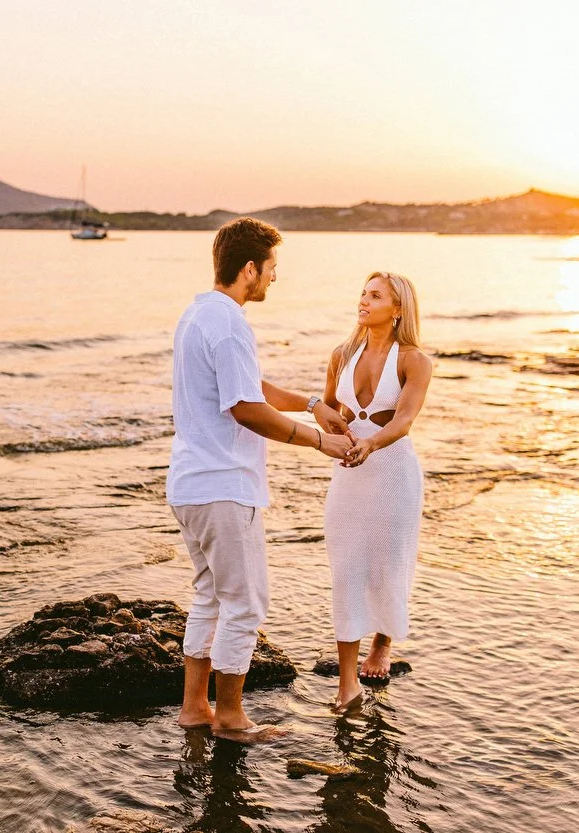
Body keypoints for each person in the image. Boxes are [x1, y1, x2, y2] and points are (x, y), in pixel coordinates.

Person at [167, 217, 353, 742]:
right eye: (271, 269)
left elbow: (253, 385)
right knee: (245, 604)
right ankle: (230, 717)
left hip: (191, 483)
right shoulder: (228, 324)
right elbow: (246, 407)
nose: (274, 279)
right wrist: (320, 441)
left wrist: (314, 405)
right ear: (249, 268)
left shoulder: (198, 314)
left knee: (210, 597)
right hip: (224, 486)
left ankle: (194, 709)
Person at [321, 271, 432, 712]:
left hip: (393, 474)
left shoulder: (413, 360)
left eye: (375, 296)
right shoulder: (342, 354)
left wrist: (370, 442)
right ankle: (347, 683)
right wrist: (333, 431)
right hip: (348, 473)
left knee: (390, 563)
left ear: (398, 308)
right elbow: (330, 407)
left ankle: (381, 645)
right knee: (346, 569)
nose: (363, 301)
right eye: (363, 294)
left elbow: (404, 420)